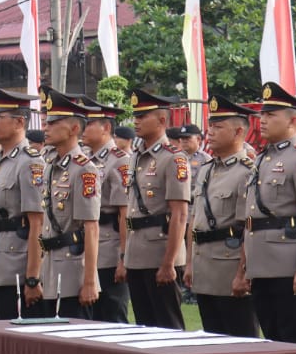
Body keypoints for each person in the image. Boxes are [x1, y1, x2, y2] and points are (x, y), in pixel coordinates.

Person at [245, 82, 296, 344]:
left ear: (292, 120)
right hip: (263, 263)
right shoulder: (262, 158)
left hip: (290, 263)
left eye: (270, 115)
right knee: (272, 338)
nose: (262, 121)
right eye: (262, 114)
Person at [183, 95, 259, 338]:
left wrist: (242, 273)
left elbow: (249, 228)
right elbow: (194, 219)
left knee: (240, 338)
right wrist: (189, 262)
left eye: (217, 127)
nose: (210, 132)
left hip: (229, 266)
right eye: (210, 126)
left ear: (238, 132)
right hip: (204, 264)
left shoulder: (247, 171)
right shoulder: (206, 170)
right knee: (212, 339)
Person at [27, 89, 101, 318]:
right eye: (47, 122)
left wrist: (89, 281)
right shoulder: (50, 165)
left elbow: (91, 228)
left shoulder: (84, 169)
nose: (46, 128)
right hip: (50, 268)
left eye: (54, 122)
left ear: (74, 129)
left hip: (72, 271)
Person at [122, 89, 190, 329]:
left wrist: (169, 262)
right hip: (137, 252)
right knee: (143, 326)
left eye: (142, 116)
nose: (136, 122)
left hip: (160, 251)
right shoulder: (135, 157)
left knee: (168, 325)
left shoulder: (173, 158)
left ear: (162, 120)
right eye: (136, 116)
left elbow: (180, 214)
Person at [0, 87, 45, 321]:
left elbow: (37, 223)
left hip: (15, 269)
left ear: (19, 122)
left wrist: (32, 277)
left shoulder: (29, 162)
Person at [83, 100, 131, 323]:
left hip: (110, 247)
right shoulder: (85, 160)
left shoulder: (119, 161)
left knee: (111, 314)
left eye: (89, 123)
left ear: (106, 128)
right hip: (88, 246)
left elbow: (124, 213)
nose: (83, 128)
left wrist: (123, 257)